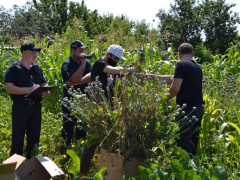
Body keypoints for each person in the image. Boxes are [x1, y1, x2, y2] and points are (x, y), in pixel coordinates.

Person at [4, 42, 50, 159]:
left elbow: (43, 82)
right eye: (32, 52)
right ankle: (14, 171)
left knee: (34, 141)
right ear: (24, 53)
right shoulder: (14, 69)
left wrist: (45, 90)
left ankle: (31, 170)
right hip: (21, 108)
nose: (35, 55)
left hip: (35, 109)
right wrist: (28, 90)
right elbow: (9, 88)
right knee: (17, 141)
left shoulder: (37, 69)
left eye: (36, 53)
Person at [166, 43, 204, 157]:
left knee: (183, 144)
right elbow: (173, 79)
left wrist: (163, 100)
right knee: (193, 143)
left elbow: (175, 89)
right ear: (193, 53)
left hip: (186, 111)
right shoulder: (197, 68)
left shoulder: (181, 65)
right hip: (198, 109)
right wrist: (151, 75)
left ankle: (186, 171)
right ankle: (196, 170)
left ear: (179, 54)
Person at [61, 40, 92, 147]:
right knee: (68, 129)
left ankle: (79, 150)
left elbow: (91, 77)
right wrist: (82, 65)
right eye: (80, 50)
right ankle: (64, 153)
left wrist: (77, 83)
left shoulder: (86, 63)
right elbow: (73, 78)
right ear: (72, 50)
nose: (83, 53)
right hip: (70, 101)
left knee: (82, 129)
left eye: (83, 50)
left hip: (84, 100)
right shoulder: (67, 64)